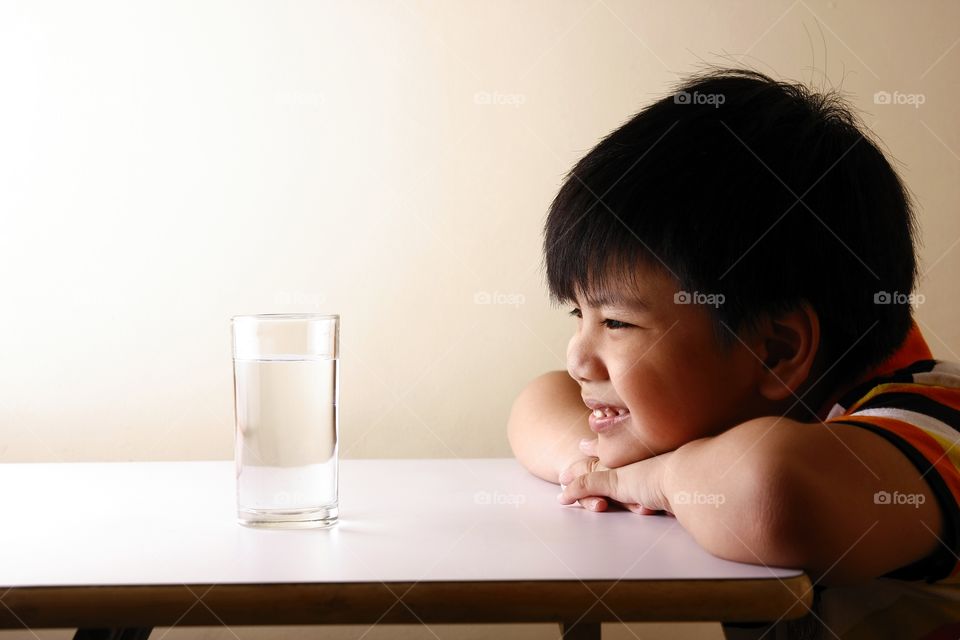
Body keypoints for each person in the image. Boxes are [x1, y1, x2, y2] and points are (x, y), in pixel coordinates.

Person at [507, 67, 960, 640]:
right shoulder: (777, 398)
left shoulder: (934, 423)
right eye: (580, 315)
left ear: (775, 350)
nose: (579, 359)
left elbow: (769, 491)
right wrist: (596, 467)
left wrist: (657, 478)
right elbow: (537, 401)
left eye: (616, 322)